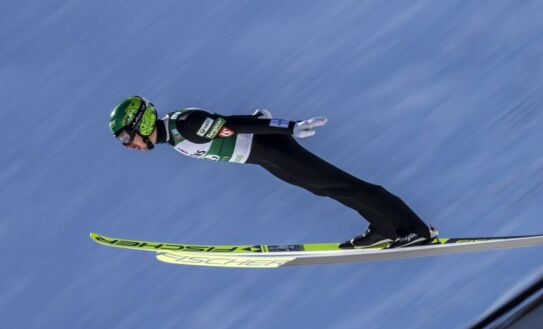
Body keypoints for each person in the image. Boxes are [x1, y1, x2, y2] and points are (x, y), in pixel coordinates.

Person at [107, 96, 436, 248]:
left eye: (125, 136)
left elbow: (233, 125)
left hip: (270, 148)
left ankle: (414, 229)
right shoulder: (175, 135)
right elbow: (230, 124)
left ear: (142, 123)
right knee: (327, 189)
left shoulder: (184, 126)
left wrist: (289, 127)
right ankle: (384, 227)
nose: (128, 145)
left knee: (342, 184)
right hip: (264, 157)